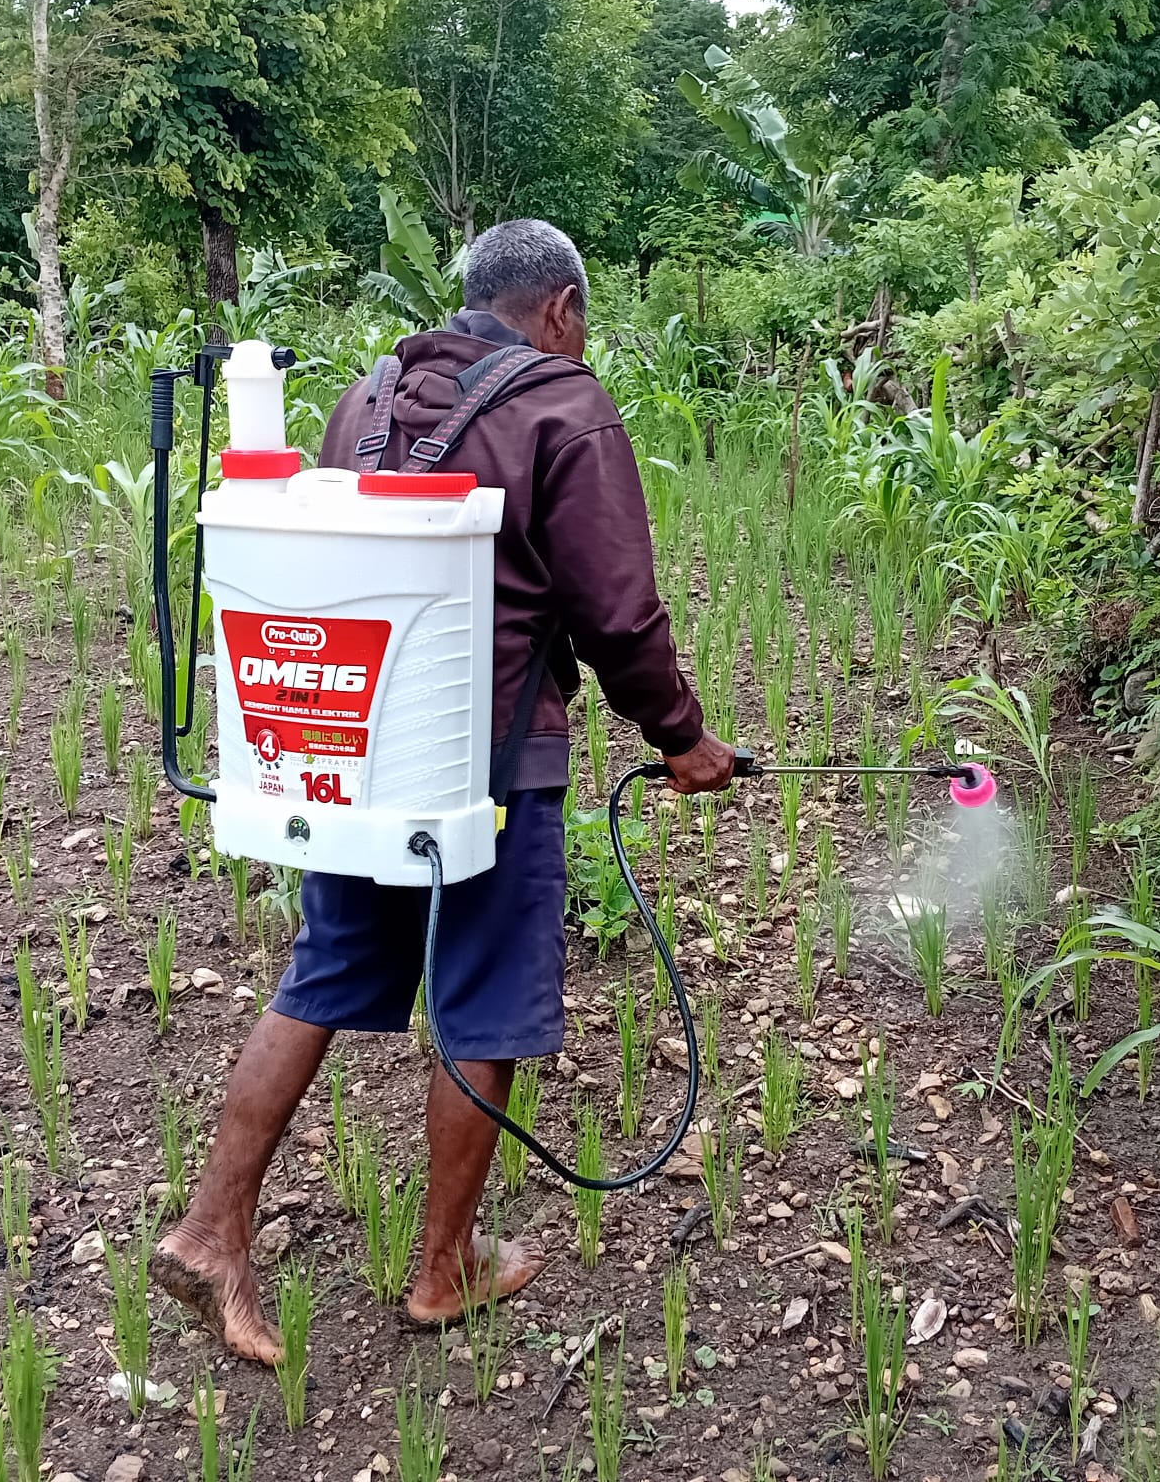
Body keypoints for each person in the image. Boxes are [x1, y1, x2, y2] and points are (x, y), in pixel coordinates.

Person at [152, 219, 736, 1363]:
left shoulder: (364, 399)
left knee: (322, 973)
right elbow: (618, 613)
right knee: (480, 1001)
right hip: (491, 765)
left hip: (355, 748)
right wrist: (683, 737)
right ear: (561, 308)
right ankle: (443, 1269)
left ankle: (211, 1228)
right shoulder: (566, 406)